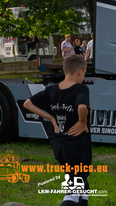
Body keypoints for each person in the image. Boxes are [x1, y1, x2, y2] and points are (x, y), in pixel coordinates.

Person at [24, 54, 91, 206]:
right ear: (80, 71)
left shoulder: (51, 90)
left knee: (82, 180)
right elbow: (82, 106)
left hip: (59, 144)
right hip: (76, 146)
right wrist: (82, 122)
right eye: (85, 72)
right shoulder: (81, 88)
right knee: (73, 192)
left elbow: (28, 104)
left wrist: (51, 118)